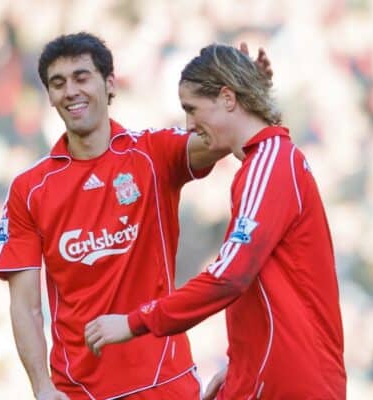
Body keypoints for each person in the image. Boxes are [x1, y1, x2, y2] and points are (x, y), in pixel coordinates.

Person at [0, 33, 271, 400]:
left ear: (109, 84)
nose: (70, 91)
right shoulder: (30, 189)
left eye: (81, 77)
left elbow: (221, 139)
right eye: (58, 83)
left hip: (165, 382)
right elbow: (25, 306)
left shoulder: (153, 154)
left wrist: (247, 98)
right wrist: (42, 386)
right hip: (81, 390)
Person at [85, 44, 347, 399]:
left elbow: (229, 276)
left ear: (227, 97)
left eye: (192, 109)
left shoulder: (270, 165)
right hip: (270, 374)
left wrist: (134, 322)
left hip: (288, 382)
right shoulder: (267, 162)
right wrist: (242, 365)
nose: (190, 125)